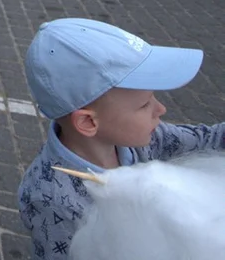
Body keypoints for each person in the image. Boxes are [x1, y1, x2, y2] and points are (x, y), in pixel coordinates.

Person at [18, 17, 225, 260]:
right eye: (145, 104)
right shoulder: (51, 197)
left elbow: (208, 139)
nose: (160, 110)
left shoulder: (152, 138)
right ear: (88, 122)